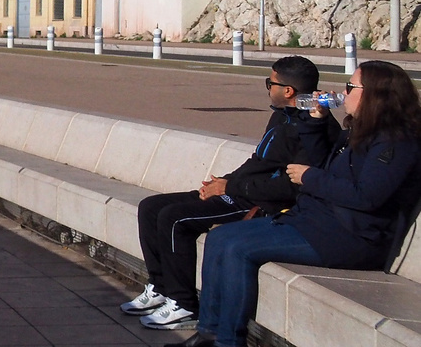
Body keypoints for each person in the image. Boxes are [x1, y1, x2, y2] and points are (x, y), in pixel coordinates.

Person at [184, 59, 421, 347]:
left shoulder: (396, 142)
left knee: (237, 247)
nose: (343, 93)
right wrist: (316, 121)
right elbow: (325, 164)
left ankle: (229, 341)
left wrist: (310, 178)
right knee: (219, 237)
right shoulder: (359, 131)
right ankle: (208, 332)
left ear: (375, 95)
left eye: (350, 87)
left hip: (353, 237)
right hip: (319, 222)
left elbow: (366, 196)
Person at [122, 56, 338, 330]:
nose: (267, 87)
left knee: (174, 218)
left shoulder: (315, 129)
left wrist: (230, 187)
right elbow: (258, 161)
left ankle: (184, 304)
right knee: (150, 206)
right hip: (239, 190)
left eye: (270, 82)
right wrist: (223, 180)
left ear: (288, 90)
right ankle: (160, 287)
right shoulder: (279, 116)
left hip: (259, 203)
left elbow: (289, 186)